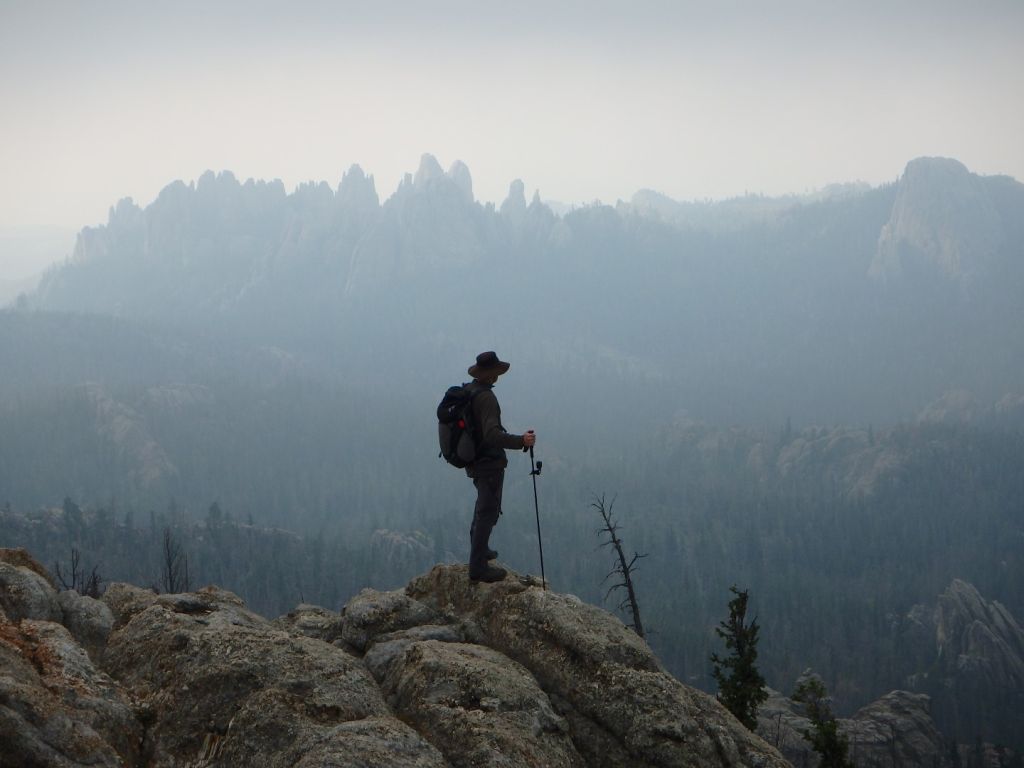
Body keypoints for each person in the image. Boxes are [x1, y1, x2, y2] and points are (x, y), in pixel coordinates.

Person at [464, 351, 536, 583]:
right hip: (488, 462)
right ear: (492, 375)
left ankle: (481, 551)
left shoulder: (470, 391)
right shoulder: (486, 398)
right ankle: (478, 568)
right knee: (488, 511)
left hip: (474, 460)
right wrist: (520, 441)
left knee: (482, 507)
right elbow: (492, 434)